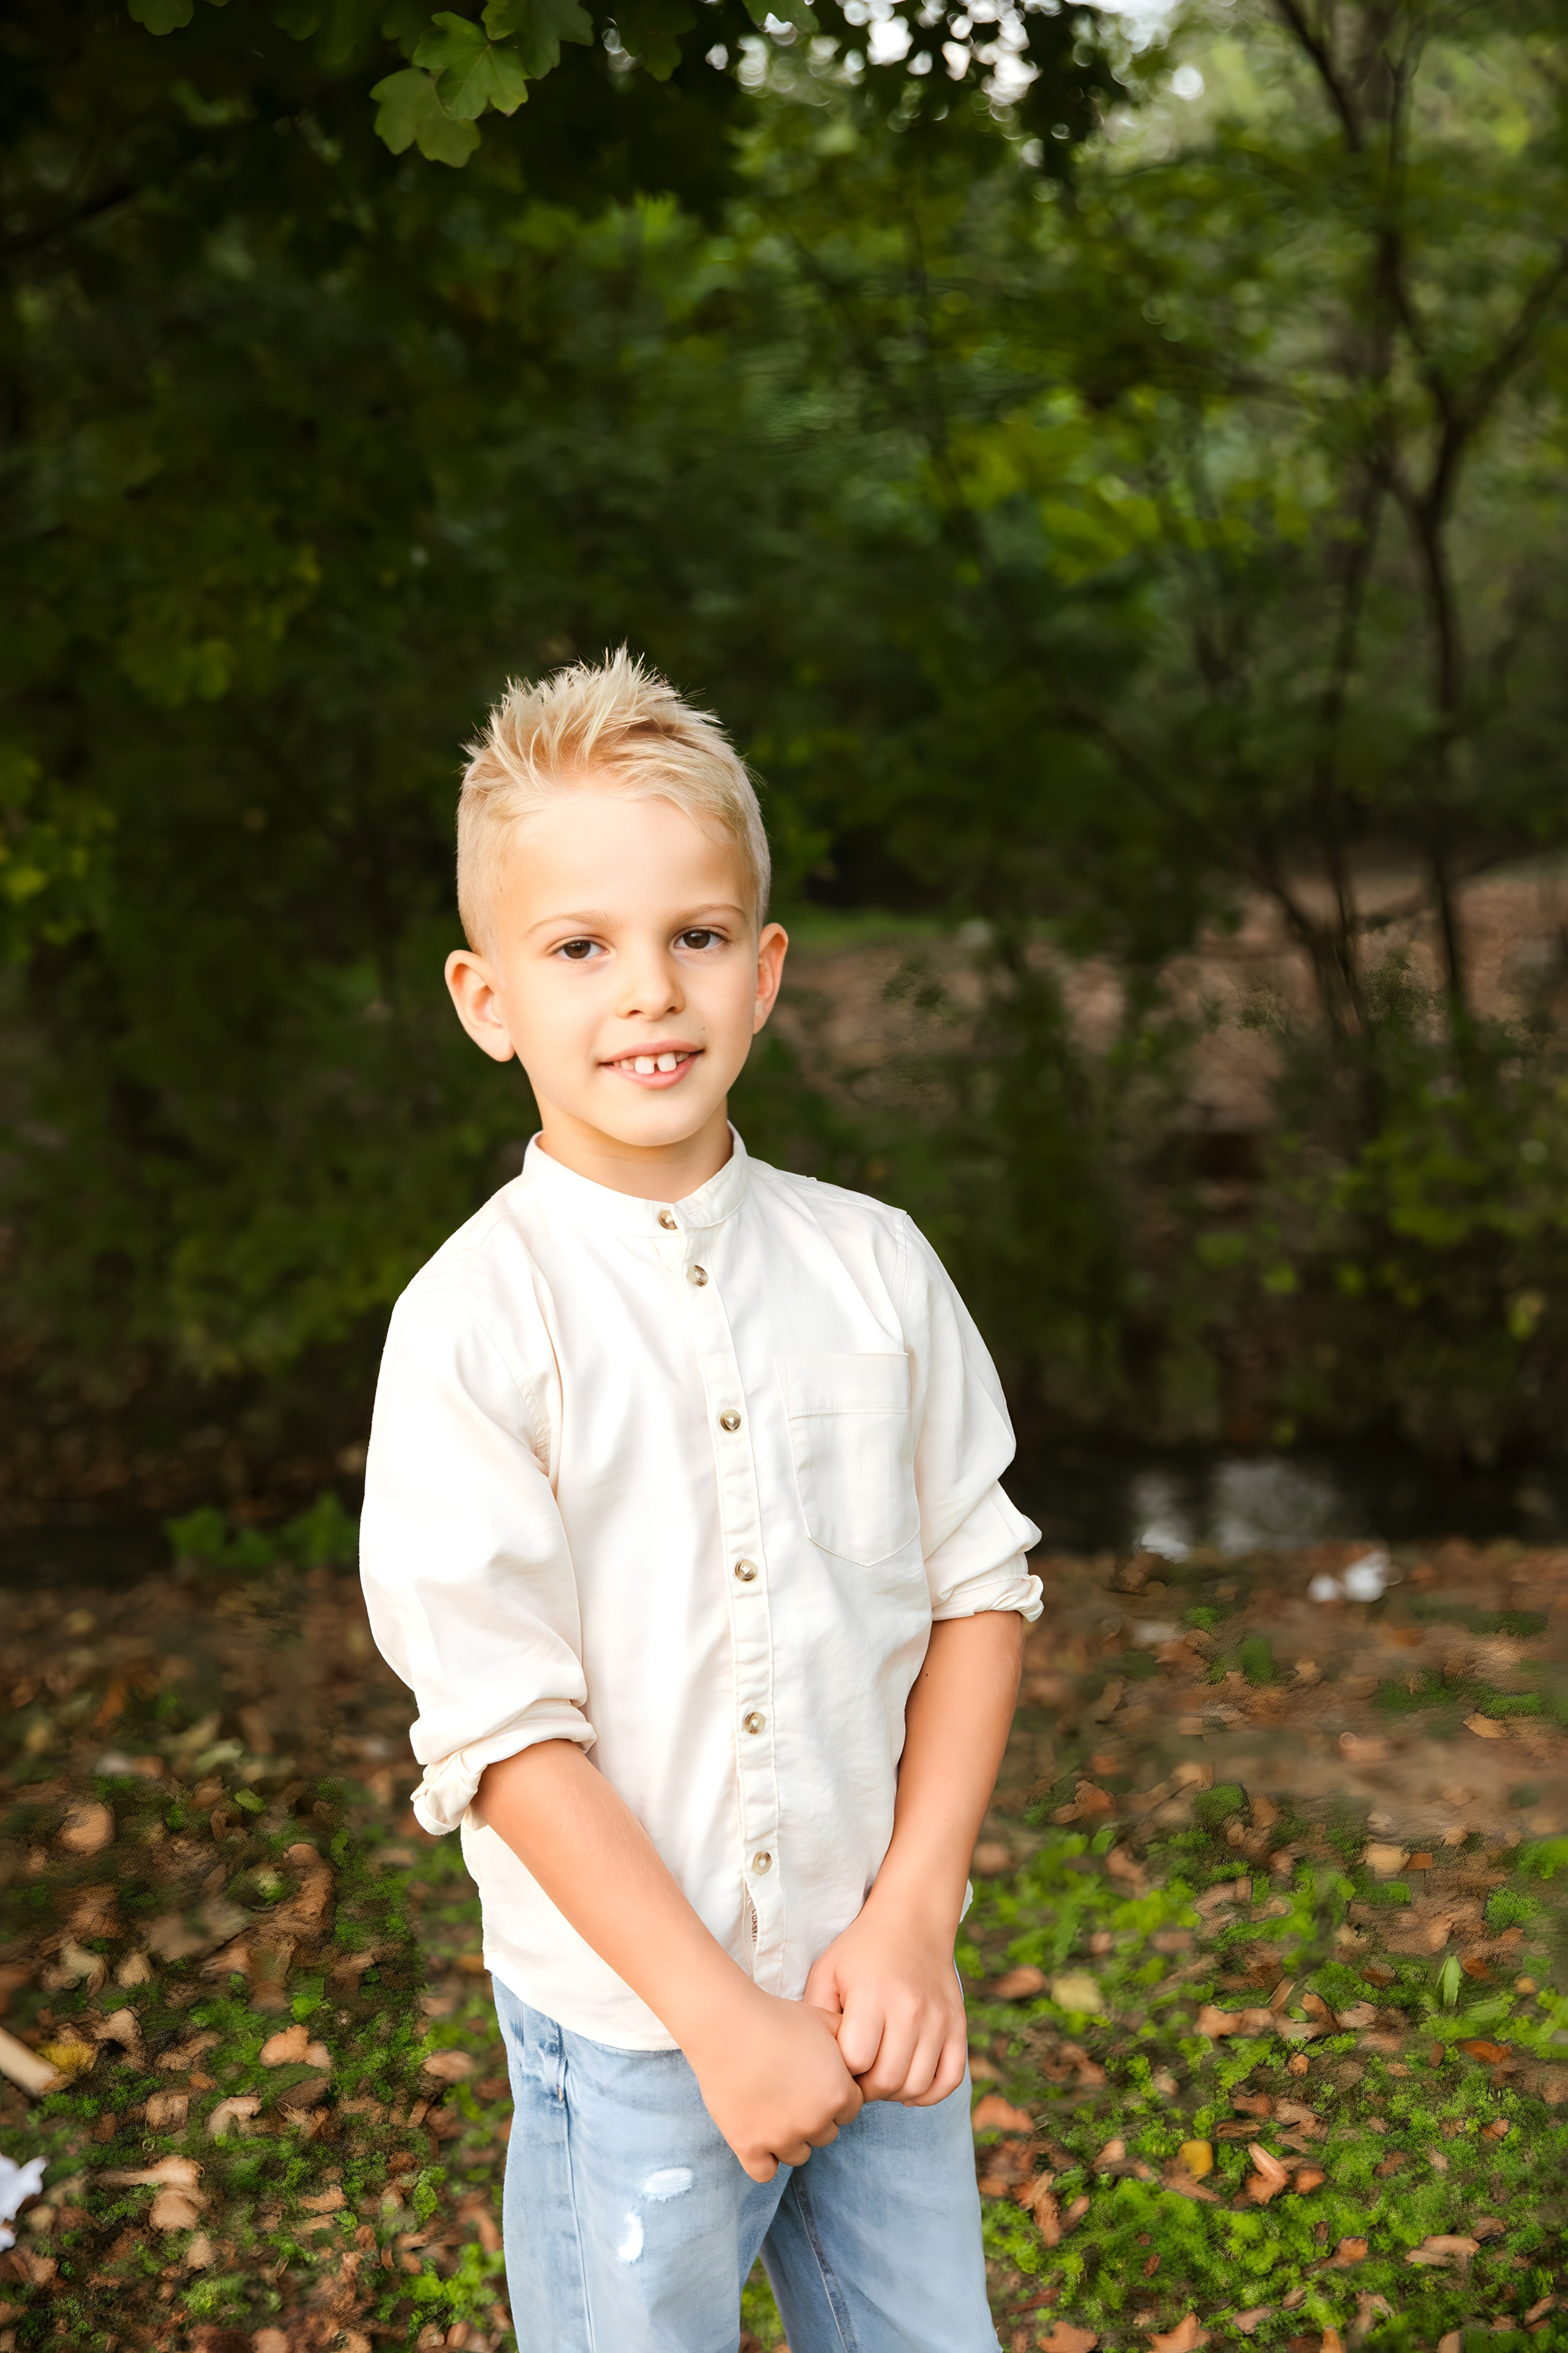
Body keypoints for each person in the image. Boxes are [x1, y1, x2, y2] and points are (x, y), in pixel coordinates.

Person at [359, 650, 1042, 2353]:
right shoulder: (473, 1321)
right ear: (486, 994)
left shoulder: (873, 1265)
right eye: (580, 946)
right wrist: (717, 2020)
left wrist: (912, 1915)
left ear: (768, 969)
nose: (648, 991)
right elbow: (505, 1730)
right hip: (637, 2034)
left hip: (875, 1988)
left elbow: (979, 1588)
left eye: (698, 935)